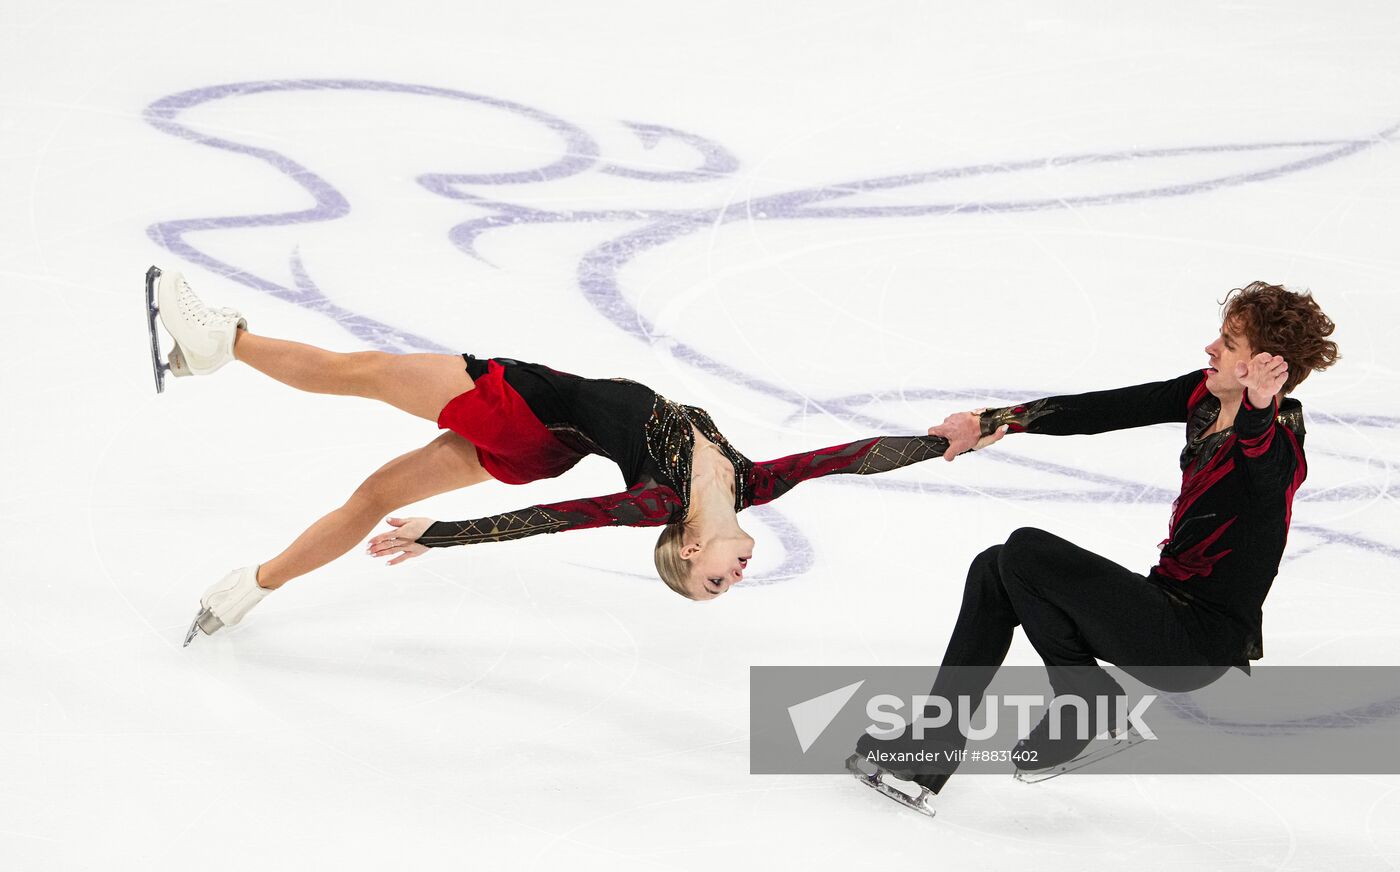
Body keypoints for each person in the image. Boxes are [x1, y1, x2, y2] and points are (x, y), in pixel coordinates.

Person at [149, 268, 1001, 644]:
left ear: (691, 549)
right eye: (726, 585)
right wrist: (945, 438)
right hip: (540, 446)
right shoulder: (751, 483)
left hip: (530, 411)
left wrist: (440, 536)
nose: (733, 578)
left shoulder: (658, 504)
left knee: (365, 374)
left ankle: (222, 341)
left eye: (712, 580)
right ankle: (245, 590)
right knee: (371, 495)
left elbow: (554, 520)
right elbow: (849, 456)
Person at [854, 281, 1339, 801]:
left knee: (1025, 550)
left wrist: (1261, 408)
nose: (1210, 348)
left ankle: (1086, 699)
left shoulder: (1280, 443)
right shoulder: (1204, 395)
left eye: (1228, 341)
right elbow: (1101, 410)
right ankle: (933, 745)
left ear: (1263, 365)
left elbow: (1262, 464)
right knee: (994, 568)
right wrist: (990, 422)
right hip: (1160, 607)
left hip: (1195, 643)